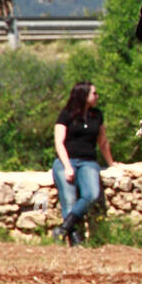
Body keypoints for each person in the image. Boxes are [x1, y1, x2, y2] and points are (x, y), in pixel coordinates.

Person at [52, 81, 115, 246]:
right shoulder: (66, 114)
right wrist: (67, 166)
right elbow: (59, 142)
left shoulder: (97, 115)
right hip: (66, 161)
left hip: (88, 162)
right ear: (83, 95)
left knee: (92, 194)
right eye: (94, 93)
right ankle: (75, 241)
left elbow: (103, 142)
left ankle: (64, 228)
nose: (97, 96)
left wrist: (111, 163)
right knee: (69, 200)